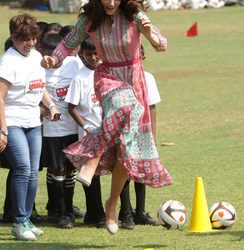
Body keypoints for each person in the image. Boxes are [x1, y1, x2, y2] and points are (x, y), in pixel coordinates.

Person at [41, 0, 173, 234]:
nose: (110, 2)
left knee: (126, 148)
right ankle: (91, 160)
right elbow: (67, 45)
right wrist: (53, 60)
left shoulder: (135, 15)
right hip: (107, 76)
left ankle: (111, 205)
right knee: (126, 105)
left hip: (134, 77)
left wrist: (150, 33)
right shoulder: (90, 18)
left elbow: (161, 45)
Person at [0, 13, 59, 241]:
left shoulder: (36, 56)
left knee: (33, 171)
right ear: (14, 37)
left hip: (34, 122)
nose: (31, 43)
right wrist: (3, 130)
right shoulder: (8, 62)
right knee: (23, 168)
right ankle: (18, 221)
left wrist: (51, 105)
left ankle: (26, 220)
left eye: (33, 38)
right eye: (25, 39)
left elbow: (39, 86)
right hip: (13, 122)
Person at [40, 33, 82, 228]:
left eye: (55, 54)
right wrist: (40, 108)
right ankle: (61, 212)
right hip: (52, 130)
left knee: (71, 170)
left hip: (73, 127)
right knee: (57, 170)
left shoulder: (73, 63)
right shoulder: (39, 70)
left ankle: (68, 209)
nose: (52, 59)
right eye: (47, 54)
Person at [119, 45, 161, 229]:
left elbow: (151, 107)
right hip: (124, 130)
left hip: (143, 131)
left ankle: (140, 212)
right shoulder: (119, 76)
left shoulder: (148, 78)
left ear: (143, 57)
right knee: (124, 172)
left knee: (141, 171)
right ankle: (126, 213)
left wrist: (153, 134)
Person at [65, 39, 106, 228]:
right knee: (91, 174)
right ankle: (95, 214)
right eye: (89, 54)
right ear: (82, 54)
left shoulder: (107, 73)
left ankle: (124, 213)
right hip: (89, 134)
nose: (93, 57)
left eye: (96, 53)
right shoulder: (80, 78)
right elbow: (71, 107)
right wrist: (85, 127)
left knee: (116, 168)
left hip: (108, 131)